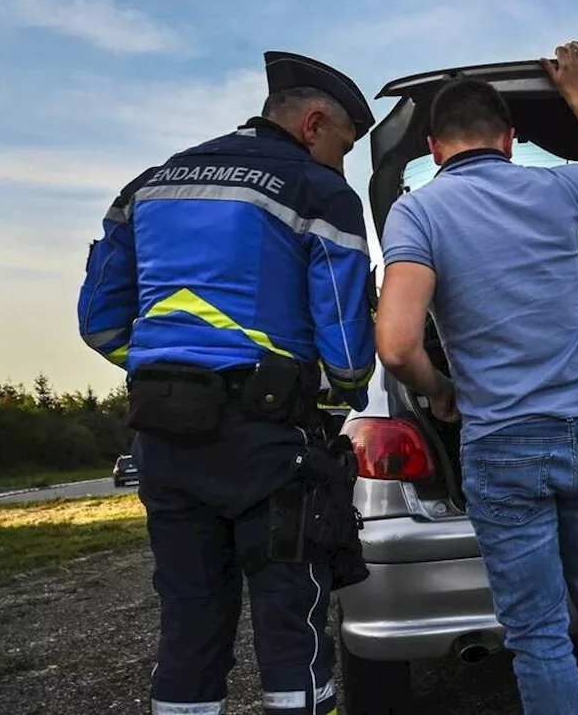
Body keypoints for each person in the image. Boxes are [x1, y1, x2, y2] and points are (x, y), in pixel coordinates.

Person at [76, 50, 376, 715]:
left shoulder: (147, 186)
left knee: (187, 630)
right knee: (291, 627)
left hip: (163, 438)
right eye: (344, 146)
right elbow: (349, 343)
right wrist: (340, 391)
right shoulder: (317, 190)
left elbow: (98, 323)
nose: (342, 163)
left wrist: (166, 369)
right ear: (315, 123)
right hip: (267, 444)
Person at [376, 41, 578, 714]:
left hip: (502, 439)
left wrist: (440, 390)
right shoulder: (556, 188)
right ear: (508, 140)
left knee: (538, 631)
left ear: (433, 146)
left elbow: (395, 345)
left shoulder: (418, 212)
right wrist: (577, 93)